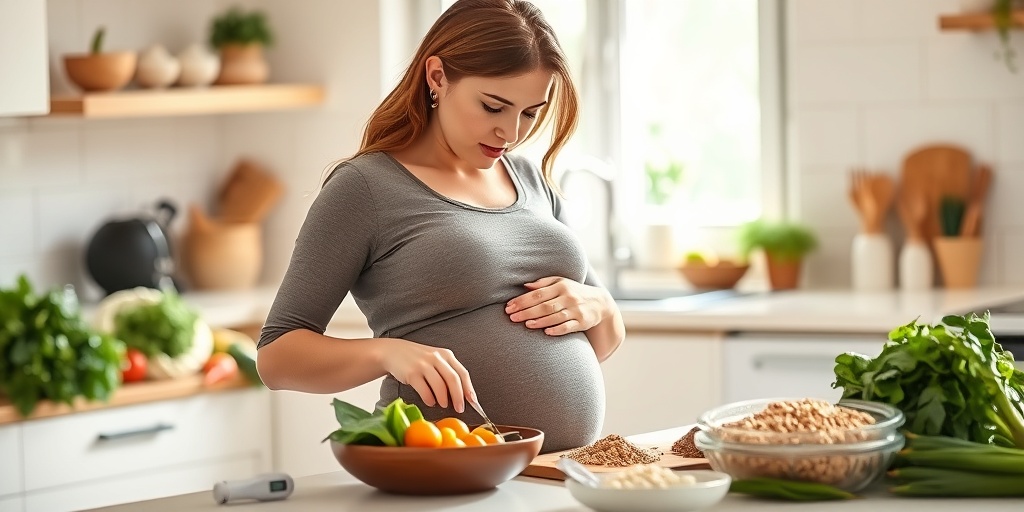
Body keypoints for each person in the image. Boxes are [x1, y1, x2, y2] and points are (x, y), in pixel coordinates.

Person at [256, 0, 625, 453]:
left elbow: (604, 343)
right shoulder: (365, 187)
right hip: (445, 473)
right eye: (493, 107)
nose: (511, 133)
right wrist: (386, 353)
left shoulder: (530, 178)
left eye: (530, 113)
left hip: (559, 472)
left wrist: (601, 308)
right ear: (437, 77)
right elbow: (276, 358)